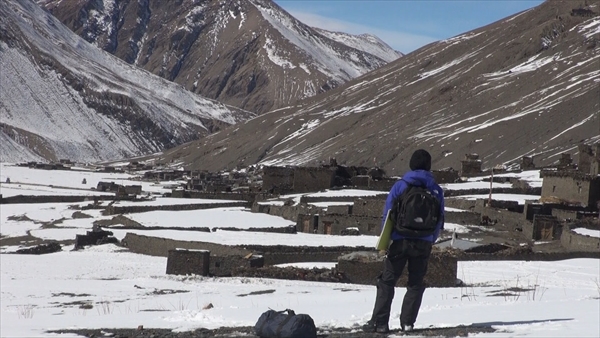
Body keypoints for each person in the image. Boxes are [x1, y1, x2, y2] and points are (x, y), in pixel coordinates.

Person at [363, 149, 444, 333]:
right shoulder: (436, 189)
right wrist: (431, 238)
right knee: (416, 283)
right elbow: (440, 218)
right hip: (423, 242)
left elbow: (388, 214)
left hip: (400, 240)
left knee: (387, 281)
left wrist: (387, 239)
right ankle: (408, 323)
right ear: (429, 166)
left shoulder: (401, 186)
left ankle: (380, 324)